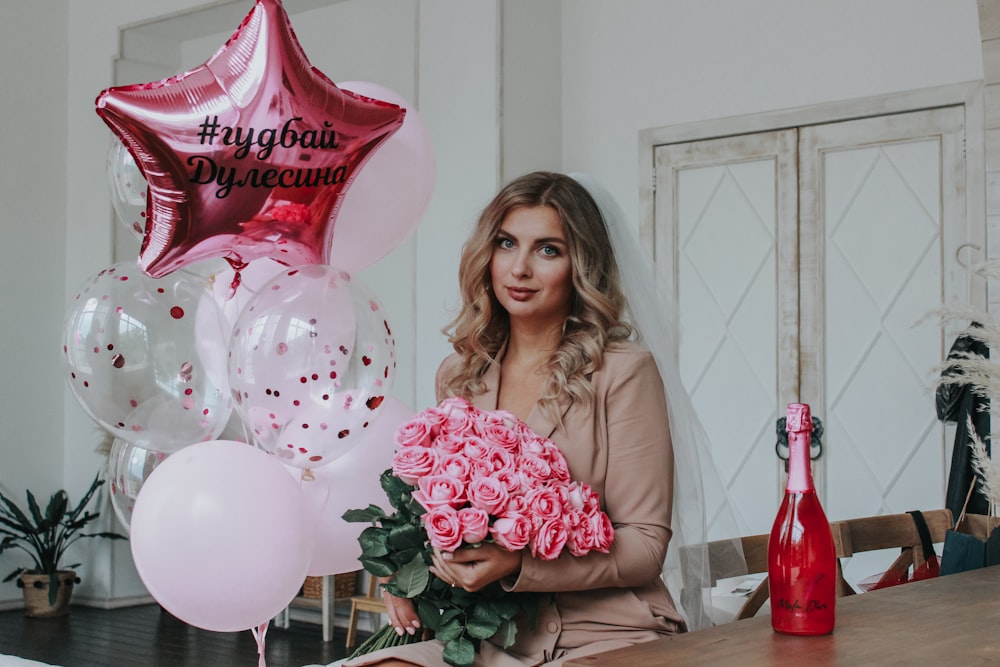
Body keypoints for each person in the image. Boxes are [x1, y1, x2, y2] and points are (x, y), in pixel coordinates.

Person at [345, 171, 708, 667]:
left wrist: (520, 563)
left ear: (581, 265)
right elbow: (445, 519)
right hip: (492, 637)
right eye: (506, 243)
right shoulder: (459, 377)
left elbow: (645, 544)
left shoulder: (624, 372)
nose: (519, 268)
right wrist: (408, 574)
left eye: (547, 250)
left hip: (609, 632)